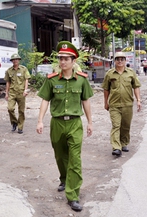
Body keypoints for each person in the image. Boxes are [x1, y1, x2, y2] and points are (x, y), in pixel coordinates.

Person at [36, 41, 93, 212]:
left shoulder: (82, 80)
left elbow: (86, 101)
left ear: (73, 61)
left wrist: (90, 122)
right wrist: (40, 120)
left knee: (75, 159)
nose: (62, 62)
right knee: (61, 156)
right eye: (60, 58)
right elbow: (45, 100)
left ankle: (73, 195)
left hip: (75, 123)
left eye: (66, 59)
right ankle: (64, 177)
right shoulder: (52, 80)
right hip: (57, 123)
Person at [102, 52, 141, 157]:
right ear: (114, 61)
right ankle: (116, 147)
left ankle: (124, 143)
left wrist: (138, 100)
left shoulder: (131, 73)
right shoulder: (110, 74)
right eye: (117, 59)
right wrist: (105, 102)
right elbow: (106, 89)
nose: (120, 61)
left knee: (125, 125)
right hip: (114, 105)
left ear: (125, 61)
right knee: (116, 125)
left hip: (127, 104)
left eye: (122, 59)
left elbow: (136, 87)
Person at [4, 53, 30, 134]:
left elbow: (26, 80)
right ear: (12, 61)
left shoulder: (23, 69)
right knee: (10, 108)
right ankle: (14, 122)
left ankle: (20, 127)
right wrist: (6, 93)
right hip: (12, 92)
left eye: (16, 59)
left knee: (21, 111)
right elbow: (8, 82)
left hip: (21, 93)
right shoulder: (9, 71)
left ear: (19, 60)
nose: (15, 61)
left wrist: (26, 90)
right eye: (13, 59)